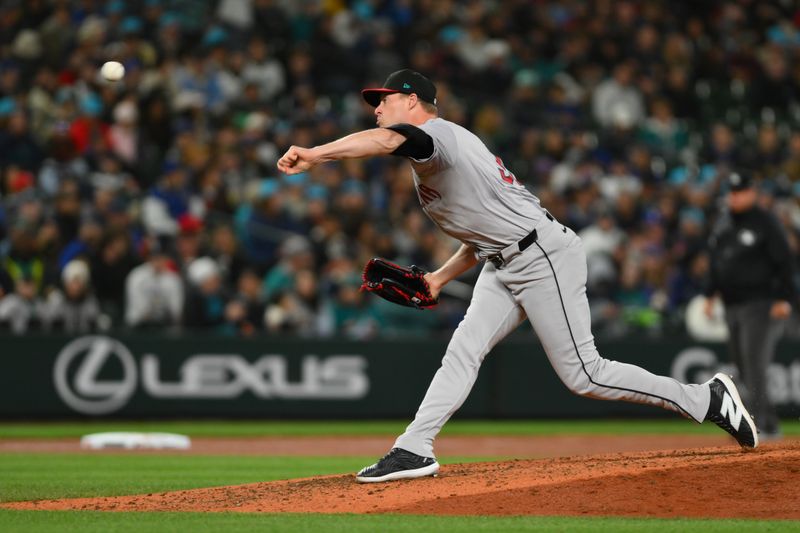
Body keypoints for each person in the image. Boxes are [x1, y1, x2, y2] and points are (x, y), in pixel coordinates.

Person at [277, 69, 759, 484]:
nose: (376, 108)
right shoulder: (445, 151)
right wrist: (441, 278)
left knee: (584, 374)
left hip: (542, 255)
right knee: (463, 349)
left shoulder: (435, 137)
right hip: (504, 258)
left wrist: (316, 154)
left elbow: (387, 140)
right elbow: (483, 231)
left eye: (382, 99)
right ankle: (414, 447)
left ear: (410, 100)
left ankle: (707, 398)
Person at [704, 171, 796, 440]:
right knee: (742, 365)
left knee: (754, 364)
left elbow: (785, 261)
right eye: (731, 192)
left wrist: (785, 298)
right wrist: (710, 295)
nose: (735, 196)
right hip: (731, 304)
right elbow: (717, 262)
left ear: (752, 193)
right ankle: (764, 422)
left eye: (740, 191)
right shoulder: (724, 223)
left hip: (761, 304)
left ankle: (763, 425)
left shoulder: (765, 222)